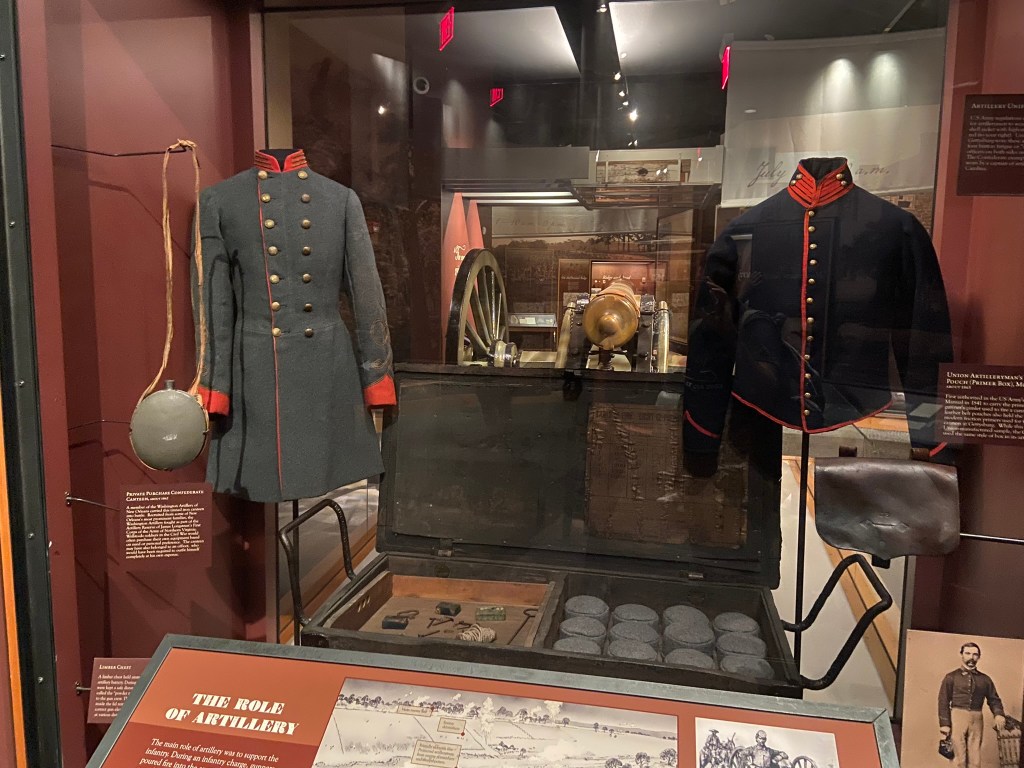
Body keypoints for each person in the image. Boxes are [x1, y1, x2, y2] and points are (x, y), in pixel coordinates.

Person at [938, 642, 1007, 768]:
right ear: (962, 655)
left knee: (975, 756)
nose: (971, 657)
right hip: (957, 717)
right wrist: (945, 724)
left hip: (977, 718)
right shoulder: (951, 677)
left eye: (975, 654)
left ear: (979, 657)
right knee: (958, 756)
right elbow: (943, 700)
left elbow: (994, 699)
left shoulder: (985, 679)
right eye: (968, 653)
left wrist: (998, 714)